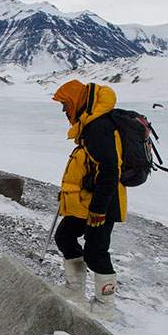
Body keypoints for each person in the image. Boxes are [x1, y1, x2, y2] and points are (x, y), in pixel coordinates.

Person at [51, 80, 126, 319]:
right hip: (86, 201)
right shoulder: (89, 124)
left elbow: (110, 173)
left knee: (96, 251)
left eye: (65, 104)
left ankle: (104, 306)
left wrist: (99, 209)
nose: (64, 110)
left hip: (103, 204)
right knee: (64, 236)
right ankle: (74, 290)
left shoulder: (98, 128)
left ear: (76, 101)